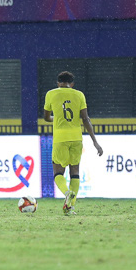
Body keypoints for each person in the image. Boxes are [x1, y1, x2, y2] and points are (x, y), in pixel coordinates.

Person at [43, 71, 103, 215]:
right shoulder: (79, 95)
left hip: (60, 139)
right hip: (77, 138)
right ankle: (70, 207)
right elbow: (85, 119)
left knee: (58, 171)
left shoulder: (51, 94)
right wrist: (95, 141)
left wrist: (55, 118)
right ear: (72, 84)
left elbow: (46, 117)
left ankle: (66, 193)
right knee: (74, 171)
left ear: (58, 83)